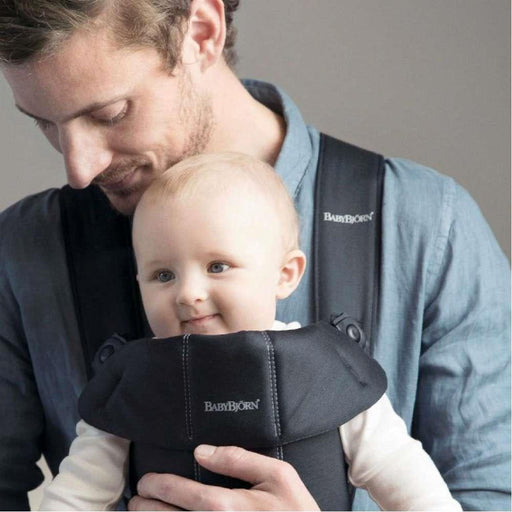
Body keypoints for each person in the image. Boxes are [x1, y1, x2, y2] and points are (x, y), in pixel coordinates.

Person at [0, 0, 509, 510]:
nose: (80, 169)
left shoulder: (427, 224)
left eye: (109, 113)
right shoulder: (22, 250)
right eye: (45, 123)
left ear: (202, 31)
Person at [40, 151, 462, 511]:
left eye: (217, 266)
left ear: (285, 274)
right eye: (163, 275)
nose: (188, 293)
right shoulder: (132, 381)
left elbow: (409, 482)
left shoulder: (327, 370)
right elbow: (75, 495)